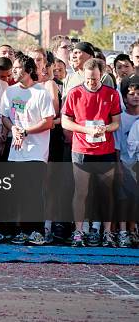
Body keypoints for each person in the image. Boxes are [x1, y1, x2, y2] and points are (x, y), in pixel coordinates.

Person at [62, 59, 121, 247]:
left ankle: (108, 233)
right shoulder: (75, 93)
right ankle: (78, 231)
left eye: (94, 79)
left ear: (101, 75)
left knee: (106, 193)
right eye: (88, 79)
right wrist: (86, 130)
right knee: (81, 192)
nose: (91, 83)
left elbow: (116, 122)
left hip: (105, 149)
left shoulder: (111, 94)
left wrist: (104, 128)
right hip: (81, 149)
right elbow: (65, 122)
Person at [0, 55, 55, 245]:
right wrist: (14, 128)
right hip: (15, 151)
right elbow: (5, 117)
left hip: (36, 151)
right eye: (13, 68)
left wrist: (25, 131)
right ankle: (21, 230)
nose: (13, 71)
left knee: (33, 192)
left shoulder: (41, 93)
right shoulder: (10, 92)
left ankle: (37, 231)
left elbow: (48, 122)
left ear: (29, 70)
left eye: (17, 68)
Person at [115, 77, 139, 247]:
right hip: (123, 162)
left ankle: (133, 230)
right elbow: (116, 144)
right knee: (124, 198)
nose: (136, 96)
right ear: (124, 98)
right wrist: (118, 165)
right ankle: (122, 231)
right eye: (131, 94)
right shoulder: (121, 118)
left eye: (138, 93)